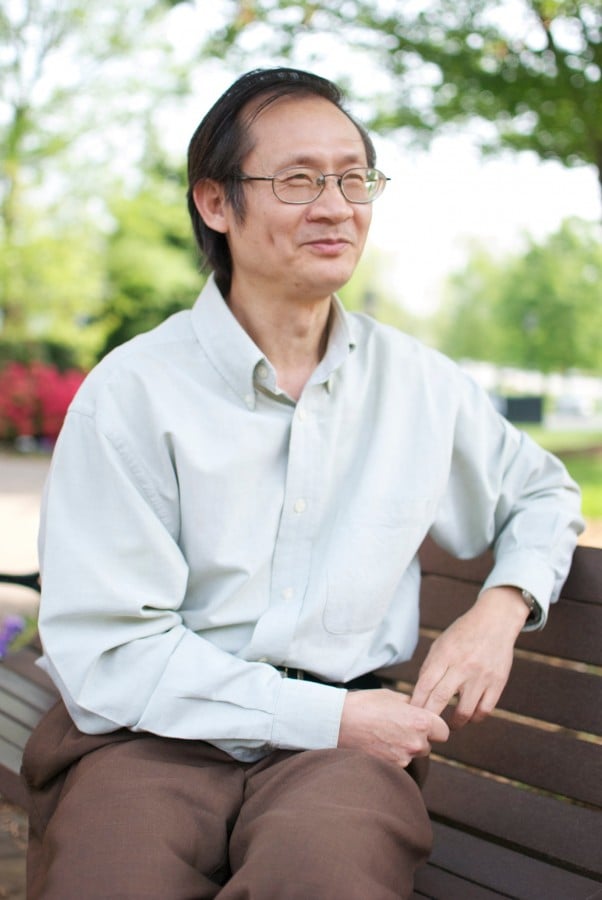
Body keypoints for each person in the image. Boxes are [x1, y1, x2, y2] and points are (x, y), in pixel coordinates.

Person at [24, 67, 583, 899]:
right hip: (145, 738)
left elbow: (544, 494)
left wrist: (500, 609)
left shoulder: (420, 386)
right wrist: (330, 717)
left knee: (324, 876)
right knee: (114, 878)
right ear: (215, 203)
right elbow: (113, 650)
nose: (336, 205)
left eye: (354, 178)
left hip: (343, 759)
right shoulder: (134, 391)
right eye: (298, 180)